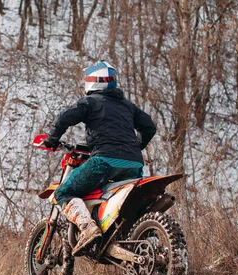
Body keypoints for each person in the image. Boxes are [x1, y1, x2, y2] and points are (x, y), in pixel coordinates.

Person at [42, 60, 156, 256]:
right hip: (134, 165)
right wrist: (136, 146)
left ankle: (88, 229)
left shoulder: (90, 102)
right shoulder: (127, 106)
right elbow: (150, 127)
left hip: (104, 161)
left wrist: (52, 139)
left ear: (92, 81)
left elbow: (64, 118)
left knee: (63, 192)